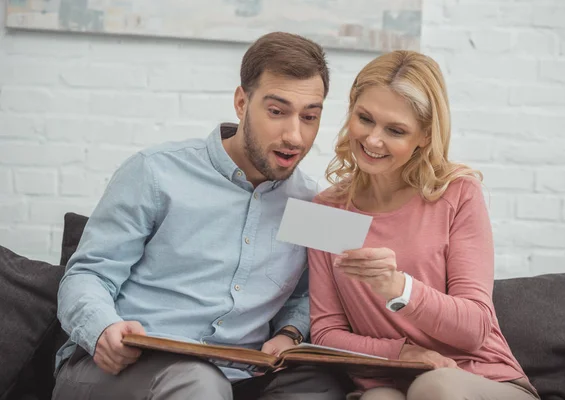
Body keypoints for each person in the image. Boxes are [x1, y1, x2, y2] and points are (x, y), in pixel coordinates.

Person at [52, 31, 345, 400]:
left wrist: (289, 334)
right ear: (241, 103)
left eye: (310, 117)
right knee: (197, 382)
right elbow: (87, 274)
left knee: (319, 387)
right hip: (119, 369)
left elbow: (315, 294)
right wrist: (102, 329)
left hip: (241, 374)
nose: (295, 135)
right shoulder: (155, 172)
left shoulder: (311, 202)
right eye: (277, 112)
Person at [307, 50, 540, 400]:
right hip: (388, 381)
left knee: (434, 388)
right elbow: (326, 333)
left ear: (425, 137)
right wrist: (402, 354)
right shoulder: (326, 210)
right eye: (365, 118)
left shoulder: (457, 194)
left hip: (479, 380)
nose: (372, 140)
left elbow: (474, 330)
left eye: (395, 130)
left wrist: (398, 287)